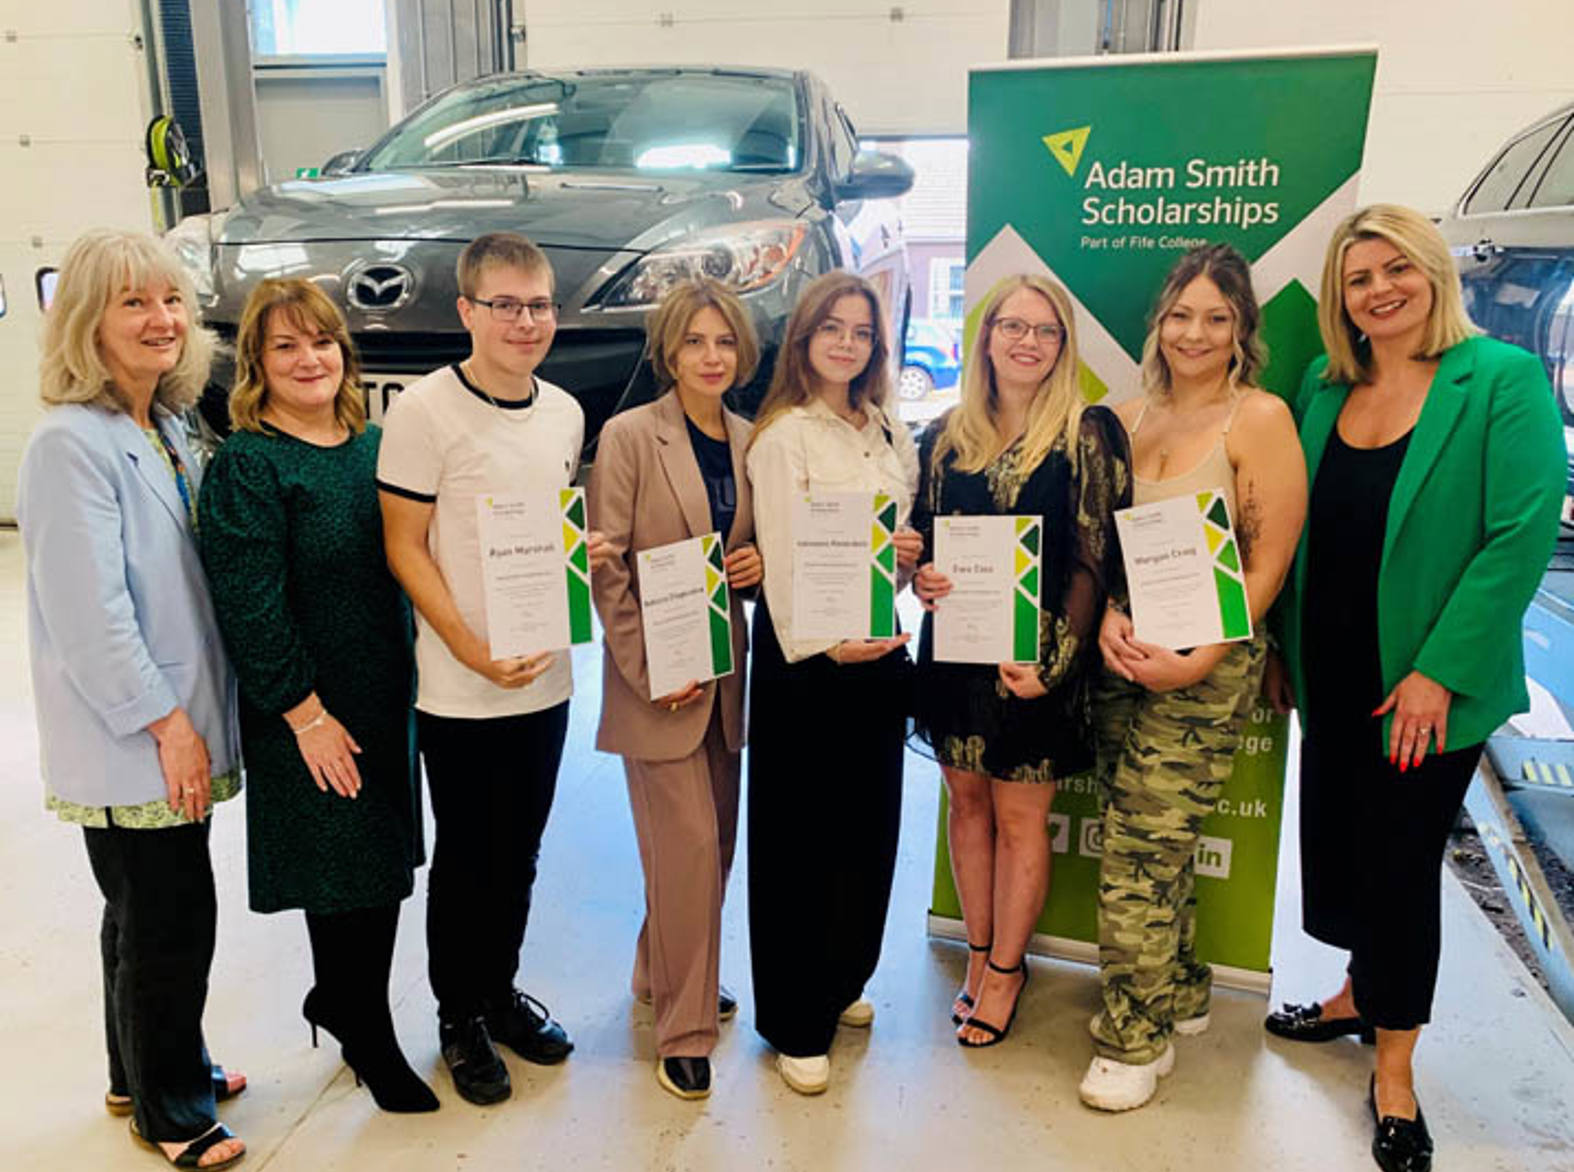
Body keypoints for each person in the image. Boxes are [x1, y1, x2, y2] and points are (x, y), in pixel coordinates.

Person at [1264, 205, 1564, 1172]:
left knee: (1398, 871)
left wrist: (1441, 669)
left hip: (1425, 683)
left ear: (1434, 274)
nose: (1378, 290)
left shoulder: (1500, 383)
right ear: (1339, 300)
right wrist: (1280, 645)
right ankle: (1357, 994)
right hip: (1333, 666)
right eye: (1358, 279)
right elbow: (1296, 524)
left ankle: (1394, 1071)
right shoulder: (1322, 383)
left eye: (1396, 269)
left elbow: (1518, 536)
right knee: (1347, 851)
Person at [17, 228, 247, 1169]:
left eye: (170, 300)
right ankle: (172, 1112)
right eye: (131, 302)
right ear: (85, 320)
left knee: (140, 912)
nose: (161, 319)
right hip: (137, 730)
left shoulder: (165, 424)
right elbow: (91, 614)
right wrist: (166, 724)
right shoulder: (70, 445)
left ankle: (144, 1069)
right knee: (169, 917)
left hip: (168, 718)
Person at [377, 232, 609, 1105]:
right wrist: (470, 648)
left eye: (540, 304)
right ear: (468, 311)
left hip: (544, 679)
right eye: (506, 305)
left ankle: (499, 992)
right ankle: (457, 1017)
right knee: (469, 857)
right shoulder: (424, 412)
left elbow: (547, 542)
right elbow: (405, 548)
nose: (526, 321)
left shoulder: (562, 413)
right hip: (460, 685)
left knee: (521, 851)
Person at [197, 279, 436, 1113]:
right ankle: (365, 1028)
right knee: (341, 874)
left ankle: (341, 1003)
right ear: (256, 363)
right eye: (286, 346)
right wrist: (305, 716)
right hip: (310, 708)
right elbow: (250, 604)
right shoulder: (250, 464)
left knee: (381, 869)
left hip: (385, 693)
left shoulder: (375, 446)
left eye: (322, 341)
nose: (310, 359)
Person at [1086, 243, 1306, 1111]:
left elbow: (1267, 563)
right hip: (1123, 650)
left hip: (1210, 661)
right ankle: (1177, 985)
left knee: (1141, 848)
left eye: (1216, 317)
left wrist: (1207, 653)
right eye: (1181, 314)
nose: (1195, 332)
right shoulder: (1124, 416)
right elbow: (1100, 545)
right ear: (1158, 322)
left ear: (1242, 328)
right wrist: (1106, 614)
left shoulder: (1258, 420)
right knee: (1144, 836)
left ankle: (1133, 1038)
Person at [911, 274, 1131, 1049]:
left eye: (1046, 331)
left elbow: (1094, 557)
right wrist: (921, 574)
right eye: (1013, 326)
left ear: (1063, 346)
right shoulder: (943, 435)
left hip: (1036, 662)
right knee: (965, 805)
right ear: (987, 336)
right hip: (956, 655)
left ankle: (1008, 970)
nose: (1028, 342)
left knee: (1018, 815)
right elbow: (920, 545)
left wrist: (1056, 662)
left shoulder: (1086, 433)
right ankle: (976, 953)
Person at [744, 270, 920, 1095]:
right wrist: (826, 645)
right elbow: (780, 557)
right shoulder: (785, 436)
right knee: (798, 843)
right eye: (831, 329)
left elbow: (895, 539)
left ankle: (844, 975)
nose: (848, 343)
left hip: (879, 657)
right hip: (809, 665)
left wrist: (909, 557)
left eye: (862, 331)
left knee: (866, 831)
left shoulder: (887, 430)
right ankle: (793, 1018)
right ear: (804, 339)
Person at [587, 279, 764, 1101]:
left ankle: (660, 974)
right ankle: (684, 1032)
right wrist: (645, 670)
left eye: (724, 341)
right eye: (695, 341)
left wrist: (756, 570)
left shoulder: (750, 438)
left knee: (713, 849)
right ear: (668, 350)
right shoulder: (628, 437)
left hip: (725, 679)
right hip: (656, 683)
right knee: (688, 850)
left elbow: (755, 553)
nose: (712, 356)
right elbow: (607, 563)